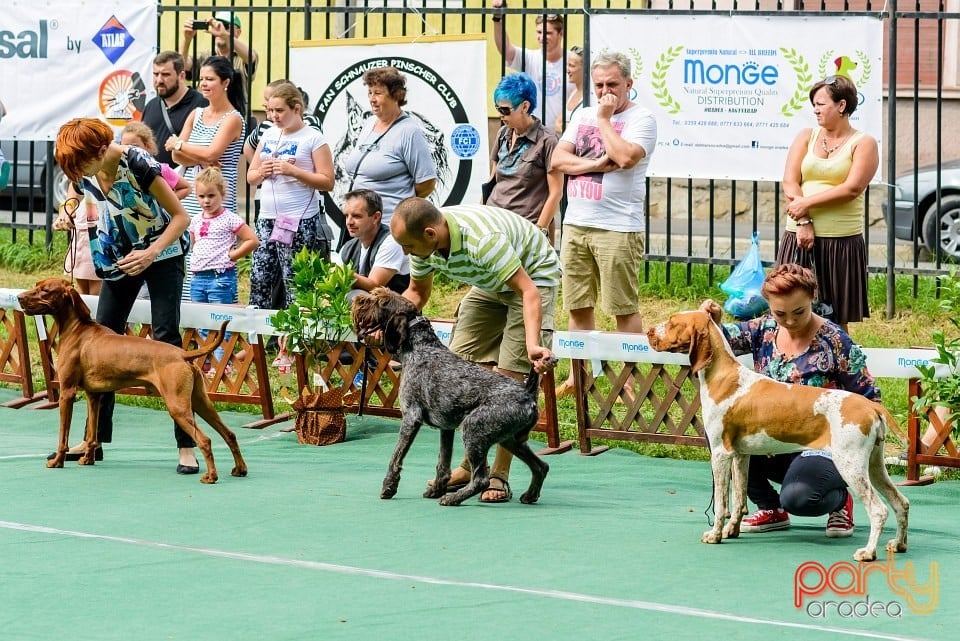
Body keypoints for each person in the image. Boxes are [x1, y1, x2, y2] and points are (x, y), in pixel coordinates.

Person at [389, 197, 560, 503]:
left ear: (430, 234)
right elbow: (416, 293)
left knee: (506, 384)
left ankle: (498, 476)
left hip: (532, 278)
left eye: (409, 247)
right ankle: (469, 468)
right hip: (492, 281)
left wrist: (533, 344)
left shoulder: (482, 242)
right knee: (454, 368)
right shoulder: (423, 242)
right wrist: (389, 327)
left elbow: (528, 291)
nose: (405, 254)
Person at [52, 118, 195, 473]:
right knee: (102, 339)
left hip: (162, 254)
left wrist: (149, 253)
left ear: (101, 151)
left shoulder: (139, 164)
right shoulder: (83, 167)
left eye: (79, 163)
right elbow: (74, 196)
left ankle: (186, 446)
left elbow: (180, 218)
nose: (76, 172)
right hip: (117, 253)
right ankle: (94, 440)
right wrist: (66, 215)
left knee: (166, 337)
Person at [699, 263, 872, 538]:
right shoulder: (762, 329)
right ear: (769, 307)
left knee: (800, 498)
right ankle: (770, 507)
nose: (790, 321)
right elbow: (721, 342)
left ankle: (839, 501)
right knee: (719, 435)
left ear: (812, 299)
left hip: (822, 445)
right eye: (780, 313)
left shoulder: (837, 341)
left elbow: (867, 397)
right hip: (773, 442)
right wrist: (714, 320)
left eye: (799, 311)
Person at [550, 51, 658, 398]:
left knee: (622, 307)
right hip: (577, 223)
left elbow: (625, 158)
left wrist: (606, 120)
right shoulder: (581, 115)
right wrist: (596, 163)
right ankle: (578, 375)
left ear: (629, 83)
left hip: (618, 226)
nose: (604, 91)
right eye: (598, 85)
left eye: (612, 84)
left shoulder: (643, 119)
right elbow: (557, 159)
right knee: (577, 305)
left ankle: (628, 377)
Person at [778, 75, 879, 334]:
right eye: (814, 104)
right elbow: (790, 181)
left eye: (821, 104)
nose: (815, 109)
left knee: (834, 318)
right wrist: (803, 220)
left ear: (842, 106)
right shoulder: (806, 136)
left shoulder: (863, 143)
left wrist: (805, 204)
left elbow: (852, 188)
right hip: (799, 236)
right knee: (789, 309)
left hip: (840, 242)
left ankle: (840, 371)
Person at [247, 81, 335, 309]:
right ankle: (258, 338)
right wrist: (261, 172)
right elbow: (251, 176)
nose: (273, 116)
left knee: (295, 281)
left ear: (296, 109)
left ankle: (294, 339)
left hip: (298, 219)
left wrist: (294, 171)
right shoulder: (268, 135)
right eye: (270, 110)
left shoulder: (313, 138)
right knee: (260, 277)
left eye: (279, 111)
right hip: (267, 217)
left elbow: (327, 181)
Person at [340, 66, 437, 227]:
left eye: (378, 93)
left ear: (396, 95)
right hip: (361, 225)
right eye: (370, 92)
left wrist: (399, 205)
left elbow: (427, 183)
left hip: (389, 225)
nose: (372, 99)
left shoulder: (409, 131)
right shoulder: (369, 123)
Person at [188, 167, 259, 373]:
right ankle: (205, 362)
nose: (206, 201)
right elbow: (194, 242)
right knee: (201, 323)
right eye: (201, 196)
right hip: (198, 278)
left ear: (222, 195)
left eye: (211, 195)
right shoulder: (196, 219)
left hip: (220, 278)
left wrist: (233, 255)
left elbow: (252, 240)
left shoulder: (230, 218)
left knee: (221, 321)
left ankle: (221, 365)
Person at [487, 73, 561, 244]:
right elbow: (492, 181)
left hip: (525, 227)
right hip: (495, 223)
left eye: (505, 110)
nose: (500, 114)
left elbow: (556, 192)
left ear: (525, 106)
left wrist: (539, 231)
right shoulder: (502, 134)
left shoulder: (547, 141)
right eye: (497, 108)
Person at [491, 2, 573, 137]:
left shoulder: (572, 61)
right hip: (533, 136)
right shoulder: (530, 57)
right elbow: (505, 50)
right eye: (539, 32)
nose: (541, 37)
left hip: (563, 136)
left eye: (548, 33)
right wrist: (497, 19)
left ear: (561, 33)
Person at [140, 51, 208, 168]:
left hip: (187, 182)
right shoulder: (151, 106)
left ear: (181, 76)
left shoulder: (201, 105)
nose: (159, 80)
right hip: (154, 182)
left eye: (165, 75)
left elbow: (206, 151)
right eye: (156, 74)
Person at [340, 189, 410, 298]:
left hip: (397, 311)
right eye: (346, 216)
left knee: (354, 296)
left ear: (376, 217)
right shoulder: (348, 247)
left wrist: (340, 273)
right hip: (372, 310)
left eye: (356, 216)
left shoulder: (392, 241)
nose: (349, 222)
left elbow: (375, 285)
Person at [180, 11, 258, 88]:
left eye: (225, 26)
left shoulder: (242, 55)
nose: (219, 29)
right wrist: (187, 40)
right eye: (216, 26)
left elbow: (251, 57)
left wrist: (225, 35)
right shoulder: (206, 55)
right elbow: (182, 66)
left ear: (238, 32)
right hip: (206, 101)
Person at [120, 122, 192, 200]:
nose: (129, 150)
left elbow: (186, 188)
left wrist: (164, 204)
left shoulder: (160, 169)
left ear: (147, 145)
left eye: (134, 146)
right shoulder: (119, 168)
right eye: (125, 146)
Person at [53, 183, 101, 296]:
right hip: (84, 225)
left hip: (105, 230)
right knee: (83, 296)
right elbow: (76, 184)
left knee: (97, 297)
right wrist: (67, 207)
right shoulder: (86, 172)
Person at [555, 45, 585, 135]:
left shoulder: (590, 97)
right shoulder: (574, 92)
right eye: (567, 65)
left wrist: (565, 126)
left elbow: (583, 131)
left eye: (571, 65)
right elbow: (557, 124)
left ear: (585, 68)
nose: (567, 70)